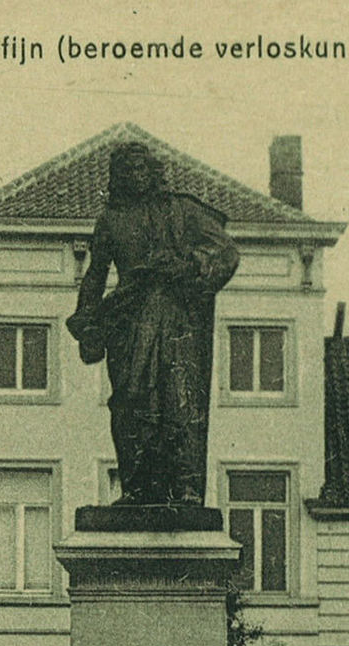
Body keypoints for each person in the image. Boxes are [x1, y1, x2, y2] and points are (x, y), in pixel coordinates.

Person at [66, 141, 240, 506]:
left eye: (141, 168)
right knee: (129, 401)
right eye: (127, 170)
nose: (136, 176)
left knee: (180, 398)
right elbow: (96, 274)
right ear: (117, 178)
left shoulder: (182, 210)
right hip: (129, 321)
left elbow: (226, 250)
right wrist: (87, 322)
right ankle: (136, 488)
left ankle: (186, 488)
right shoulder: (110, 221)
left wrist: (189, 264)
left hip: (175, 317)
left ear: (153, 172)